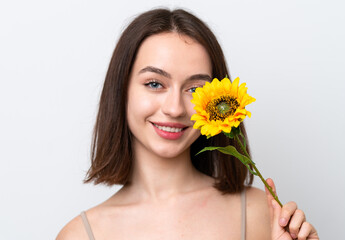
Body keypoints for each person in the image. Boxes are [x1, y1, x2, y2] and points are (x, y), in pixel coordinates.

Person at [56, 8, 319, 240]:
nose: (175, 109)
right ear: (121, 90)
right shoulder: (80, 235)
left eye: (194, 90)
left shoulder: (261, 214)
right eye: (155, 84)